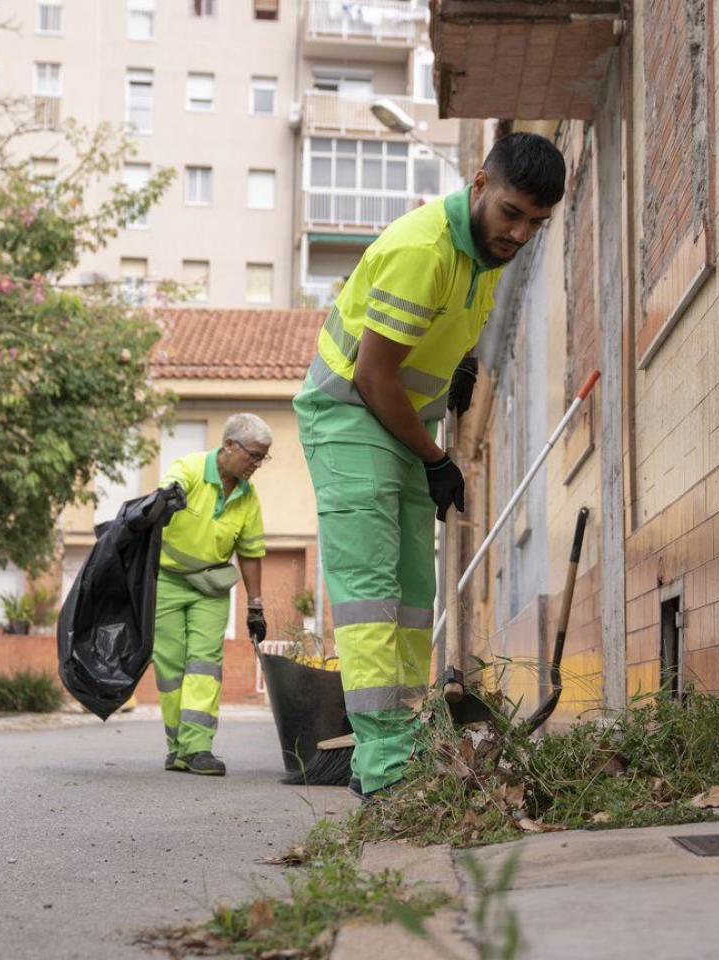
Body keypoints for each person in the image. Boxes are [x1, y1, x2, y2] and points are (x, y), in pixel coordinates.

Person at [294, 132, 566, 799]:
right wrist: (436, 458)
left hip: (401, 423)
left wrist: (462, 369)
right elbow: (373, 374)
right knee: (372, 595)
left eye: (536, 223)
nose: (520, 233)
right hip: (351, 416)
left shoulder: (486, 254)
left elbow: (448, 330)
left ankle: (408, 741)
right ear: (479, 184)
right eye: (511, 213)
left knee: (415, 596)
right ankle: (383, 767)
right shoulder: (423, 250)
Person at [151, 413, 272, 776]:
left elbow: (250, 553)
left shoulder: (248, 497)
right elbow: (167, 490)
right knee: (171, 667)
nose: (257, 464)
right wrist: (167, 497)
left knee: (204, 664)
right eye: (254, 455)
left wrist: (255, 606)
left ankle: (198, 747)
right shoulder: (188, 469)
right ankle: (177, 747)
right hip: (167, 581)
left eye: (263, 457)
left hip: (210, 587)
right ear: (229, 445)